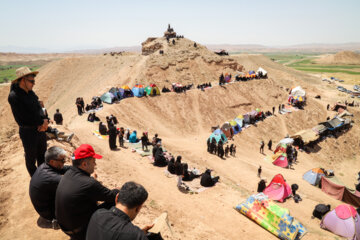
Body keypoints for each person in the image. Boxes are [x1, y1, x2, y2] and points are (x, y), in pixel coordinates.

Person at [55, 144, 119, 240]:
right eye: (94, 162)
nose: (95, 164)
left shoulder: (69, 173)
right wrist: (117, 190)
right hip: (80, 231)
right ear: (84, 164)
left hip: (65, 227)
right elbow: (113, 196)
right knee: (117, 199)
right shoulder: (89, 183)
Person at [8, 66, 48, 176]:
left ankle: (43, 178)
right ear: (22, 80)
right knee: (31, 159)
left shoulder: (31, 93)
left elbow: (40, 108)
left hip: (40, 130)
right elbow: (25, 117)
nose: (34, 83)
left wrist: (45, 120)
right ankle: (35, 181)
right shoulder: (14, 96)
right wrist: (42, 123)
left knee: (42, 156)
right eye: (31, 81)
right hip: (28, 133)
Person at [86, 182, 153, 240]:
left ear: (117, 197)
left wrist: (139, 234)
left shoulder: (97, 214)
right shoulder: (136, 235)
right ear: (138, 208)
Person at [29, 146, 70, 228]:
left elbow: (63, 168)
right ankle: (57, 222)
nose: (64, 162)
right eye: (62, 160)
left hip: (43, 207)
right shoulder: (51, 178)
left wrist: (77, 168)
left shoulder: (45, 166)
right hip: (49, 214)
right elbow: (75, 185)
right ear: (52, 161)